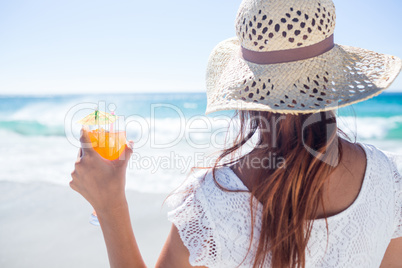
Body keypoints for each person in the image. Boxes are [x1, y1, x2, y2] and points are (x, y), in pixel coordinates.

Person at [70, 0, 402, 267]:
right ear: (331, 76)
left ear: (248, 88)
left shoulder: (211, 201)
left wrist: (110, 204)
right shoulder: (391, 178)